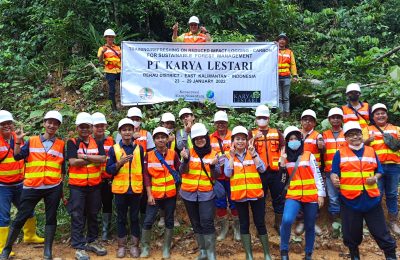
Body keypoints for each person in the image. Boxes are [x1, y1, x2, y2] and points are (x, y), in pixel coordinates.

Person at [0, 111, 63, 260]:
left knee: (51, 217)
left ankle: (47, 251)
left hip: (52, 187)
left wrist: (61, 189)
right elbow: (17, 156)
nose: (51, 125)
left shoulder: (61, 144)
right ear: (44, 123)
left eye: (55, 123)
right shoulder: (32, 140)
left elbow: (63, 168)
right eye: (49, 122)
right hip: (31, 186)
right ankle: (6, 249)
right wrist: (17, 142)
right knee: (20, 216)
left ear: (58, 126)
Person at [330, 121, 397, 260]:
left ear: (362, 135)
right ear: (346, 138)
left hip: (371, 200)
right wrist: (334, 178)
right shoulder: (340, 153)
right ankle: (355, 256)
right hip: (350, 201)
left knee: (381, 232)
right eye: (351, 135)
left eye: (357, 134)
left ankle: (391, 256)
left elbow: (379, 171)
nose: (355, 137)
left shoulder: (371, 151)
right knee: (351, 234)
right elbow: (334, 172)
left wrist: (375, 178)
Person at [225, 126, 272, 260]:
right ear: (233, 141)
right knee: (244, 224)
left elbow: (262, 169)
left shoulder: (252, 153)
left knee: (260, 222)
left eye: (243, 139)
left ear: (247, 141)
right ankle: (249, 255)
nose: (240, 141)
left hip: (256, 195)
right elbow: (228, 174)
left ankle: (267, 254)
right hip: (240, 197)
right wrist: (232, 158)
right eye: (237, 139)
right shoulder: (229, 155)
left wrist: (254, 154)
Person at [279, 126, 325, 260]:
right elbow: (281, 182)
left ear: (300, 139)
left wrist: (321, 194)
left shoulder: (308, 155)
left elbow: (317, 174)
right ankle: (284, 252)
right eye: (290, 139)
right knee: (287, 220)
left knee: (310, 225)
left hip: (311, 196)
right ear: (287, 142)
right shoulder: (284, 157)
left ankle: (308, 254)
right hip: (293, 195)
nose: (294, 141)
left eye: (296, 138)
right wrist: (282, 165)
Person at [67, 112, 107, 260]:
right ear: (77, 128)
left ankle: (92, 240)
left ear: (91, 128)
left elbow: (103, 159)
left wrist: (84, 157)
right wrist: (93, 159)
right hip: (77, 186)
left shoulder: (97, 142)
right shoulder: (72, 142)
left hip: (94, 185)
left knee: (93, 213)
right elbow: (72, 162)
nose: (84, 129)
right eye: (81, 127)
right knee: (77, 215)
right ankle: (79, 246)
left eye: (87, 127)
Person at [179, 123, 220, 260]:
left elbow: (216, 176)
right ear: (194, 140)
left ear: (206, 138)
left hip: (206, 193)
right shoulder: (188, 152)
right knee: (195, 222)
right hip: (188, 193)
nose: (200, 140)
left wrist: (213, 166)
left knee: (207, 221)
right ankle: (203, 251)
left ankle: (211, 253)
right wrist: (184, 160)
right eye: (197, 138)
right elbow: (181, 172)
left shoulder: (214, 153)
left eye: (202, 137)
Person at [106, 118, 145, 258]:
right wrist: (119, 163)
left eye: (130, 129)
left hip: (135, 190)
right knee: (121, 218)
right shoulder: (114, 149)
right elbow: (109, 170)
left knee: (134, 218)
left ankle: (134, 246)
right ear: (120, 132)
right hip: (120, 191)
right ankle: (121, 246)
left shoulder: (139, 149)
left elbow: (143, 169)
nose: (127, 132)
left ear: (134, 131)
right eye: (124, 129)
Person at [141, 127, 181, 259]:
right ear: (154, 140)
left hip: (170, 194)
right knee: (148, 221)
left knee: (169, 220)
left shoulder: (173, 154)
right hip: (155, 194)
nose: (161, 140)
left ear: (167, 138)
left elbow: (178, 171)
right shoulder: (149, 155)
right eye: (157, 137)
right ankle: (145, 248)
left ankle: (166, 248)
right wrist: (149, 194)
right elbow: (146, 176)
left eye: (163, 137)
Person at [363, 103, 400, 236]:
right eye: (377, 113)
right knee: (375, 194)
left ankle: (393, 221)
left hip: (393, 166)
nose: (380, 115)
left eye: (382, 113)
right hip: (375, 167)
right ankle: (374, 222)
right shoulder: (367, 129)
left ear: (387, 115)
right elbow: (360, 145)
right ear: (373, 116)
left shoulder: (396, 129)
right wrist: (368, 140)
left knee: (392, 194)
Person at [249, 105, 285, 234]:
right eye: (259, 118)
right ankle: (260, 227)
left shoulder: (276, 132)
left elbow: (283, 146)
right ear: (256, 119)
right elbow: (246, 148)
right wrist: (254, 138)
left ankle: (278, 224)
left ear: (268, 119)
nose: (262, 120)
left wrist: (282, 161)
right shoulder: (251, 133)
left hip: (275, 172)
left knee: (278, 197)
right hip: (260, 172)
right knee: (260, 199)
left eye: (264, 117)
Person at [209, 111, 239, 241]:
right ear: (215, 124)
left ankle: (237, 229)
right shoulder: (210, 138)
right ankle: (224, 228)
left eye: (223, 122)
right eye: (218, 122)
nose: (221, 124)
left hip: (232, 175)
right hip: (217, 176)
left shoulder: (234, 136)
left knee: (234, 202)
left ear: (227, 123)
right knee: (220, 203)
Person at [296, 109, 323, 235]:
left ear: (314, 123)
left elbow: (323, 150)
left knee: (314, 196)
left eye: (310, 120)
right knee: (301, 195)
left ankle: (311, 222)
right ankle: (301, 221)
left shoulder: (318, 135)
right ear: (301, 121)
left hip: (313, 171)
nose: (307, 122)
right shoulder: (296, 134)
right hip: (299, 171)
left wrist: (321, 145)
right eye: (305, 119)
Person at [322, 108, 347, 237]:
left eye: (338, 117)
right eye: (333, 117)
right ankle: (336, 224)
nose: (335, 119)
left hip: (346, 171)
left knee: (346, 196)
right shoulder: (325, 134)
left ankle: (347, 224)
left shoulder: (346, 133)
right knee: (333, 198)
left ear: (342, 119)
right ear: (329, 119)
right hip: (329, 171)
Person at [91, 112, 114, 241]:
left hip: (107, 179)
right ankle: (93, 231)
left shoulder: (111, 141)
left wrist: (113, 177)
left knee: (107, 203)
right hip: (92, 179)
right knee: (93, 205)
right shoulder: (88, 141)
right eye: (97, 125)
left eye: (102, 125)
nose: (100, 128)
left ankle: (105, 231)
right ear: (92, 127)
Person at [158, 112, 181, 228]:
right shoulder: (157, 134)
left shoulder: (176, 136)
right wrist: (167, 140)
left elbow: (179, 150)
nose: (169, 126)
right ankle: (162, 217)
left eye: (171, 124)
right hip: (159, 170)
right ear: (162, 123)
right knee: (160, 195)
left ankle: (173, 217)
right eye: (167, 123)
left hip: (172, 171)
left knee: (173, 195)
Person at [98, 29, 121, 111]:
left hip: (120, 71)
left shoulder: (118, 48)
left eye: (112, 37)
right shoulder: (102, 48)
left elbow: (122, 58)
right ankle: (113, 109)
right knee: (111, 91)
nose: (110, 38)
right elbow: (100, 60)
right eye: (109, 37)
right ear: (106, 38)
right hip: (110, 72)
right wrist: (102, 53)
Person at [276, 33, 298, 117]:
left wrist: (295, 75)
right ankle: (281, 115)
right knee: (279, 98)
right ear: (278, 41)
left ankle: (287, 114)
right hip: (276, 77)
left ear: (286, 42)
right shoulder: (274, 50)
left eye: (283, 39)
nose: (282, 41)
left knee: (285, 97)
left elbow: (293, 64)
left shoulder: (289, 52)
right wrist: (272, 45)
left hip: (286, 77)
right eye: (280, 39)